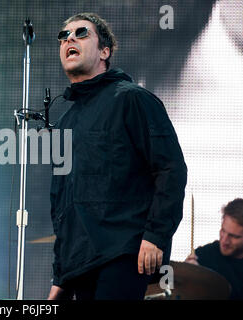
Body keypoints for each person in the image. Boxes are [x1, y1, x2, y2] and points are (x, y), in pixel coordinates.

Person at [47, 13, 188, 300]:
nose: (69, 39)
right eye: (64, 36)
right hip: (79, 266)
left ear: (104, 51)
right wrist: (60, 276)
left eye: (81, 33)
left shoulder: (132, 99)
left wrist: (155, 236)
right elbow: (63, 203)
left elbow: (170, 169)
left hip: (123, 253)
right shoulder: (64, 122)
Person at [185, 198, 243, 300]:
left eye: (233, 236)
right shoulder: (203, 256)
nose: (224, 240)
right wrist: (187, 273)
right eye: (223, 230)